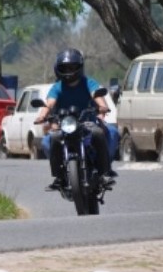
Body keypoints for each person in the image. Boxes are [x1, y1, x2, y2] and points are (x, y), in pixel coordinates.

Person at [34, 48, 115, 191]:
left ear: (79, 67)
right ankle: (59, 178)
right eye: (65, 67)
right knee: (52, 139)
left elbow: (97, 95)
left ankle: (104, 173)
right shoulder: (57, 87)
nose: (69, 70)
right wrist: (43, 115)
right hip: (66, 125)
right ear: (58, 69)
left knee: (98, 133)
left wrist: (102, 107)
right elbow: (50, 103)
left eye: (72, 67)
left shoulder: (88, 82)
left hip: (87, 123)